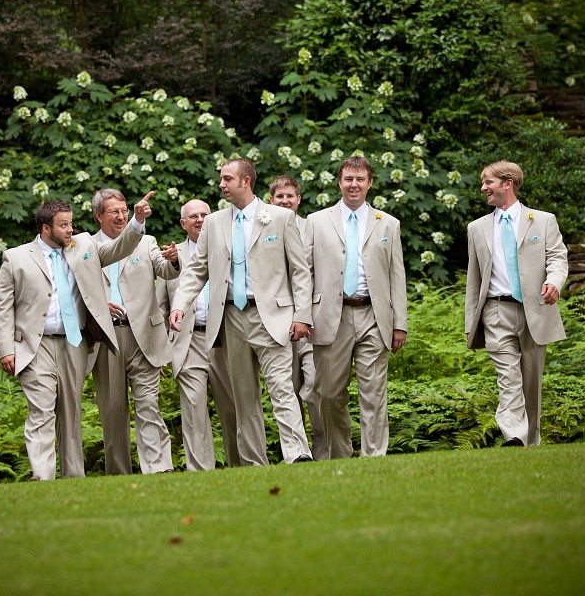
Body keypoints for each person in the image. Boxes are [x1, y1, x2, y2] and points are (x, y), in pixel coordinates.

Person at [0, 196, 151, 480]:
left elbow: (118, 248)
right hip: (35, 345)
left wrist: (137, 221)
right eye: (63, 225)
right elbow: (2, 306)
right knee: (41, 409)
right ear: (45, 228)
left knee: (70, 414)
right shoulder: (16, 257)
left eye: (71, 224)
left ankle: (73, 477)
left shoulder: (83, 246)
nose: (70, 230)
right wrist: (6, 349)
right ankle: (42, 475)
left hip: (74, 343)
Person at [168, 158, 314, 465]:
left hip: (272, 317)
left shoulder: (279, 218)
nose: (221, 184)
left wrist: (302, 315)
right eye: (221, 179)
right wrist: (180, 304)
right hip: (230, 318)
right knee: (244, 397)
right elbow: (196, 270)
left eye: (227, 179)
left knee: (281, 387)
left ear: (245, 181)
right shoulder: (214, 222)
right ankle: (253, 462)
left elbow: (299, 272)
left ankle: (297, 454)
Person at [304, 156, 407, 459]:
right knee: (329, 394)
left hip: (374, 316)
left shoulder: (387, 223)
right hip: (329, 317)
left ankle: (373, 456)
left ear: (369, 183)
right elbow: (304, 272)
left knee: (373, 391)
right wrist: (302, 315)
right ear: (339, 181)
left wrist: (399, 323)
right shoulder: (316, 221)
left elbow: (396, 276)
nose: (354, 185)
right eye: (349, 179)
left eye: (360, 179)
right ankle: (341, 454)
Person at [465, 160, 568, 447]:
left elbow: (558, 259)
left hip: (536, 309)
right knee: (508, 378)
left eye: (489, 182)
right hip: (495, 311)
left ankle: (529, 442)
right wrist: (469, 323)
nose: (484, 188)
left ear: (507, 184)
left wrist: (554, 283)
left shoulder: (543, 220)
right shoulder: (477, 228)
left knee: (531, 383)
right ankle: (514, 434)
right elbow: (474, 279)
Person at [89, 188, 178, 475]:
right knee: (113, 410)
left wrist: (174, 259)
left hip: (145, 336)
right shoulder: (85, 247)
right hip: (106, 338)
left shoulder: (146, 240)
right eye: (114, 211)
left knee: (149, 405)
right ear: (98, 215)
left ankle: (158, 468)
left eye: (124, 210)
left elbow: (166, 271)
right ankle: (118, 473)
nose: (121, 216)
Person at [157, 199, 240, 470]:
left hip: (224, 338)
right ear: (183, 223)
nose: (200, 219)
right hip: (187, 341)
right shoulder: (170, 256)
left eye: (205, 214)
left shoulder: (226, 247)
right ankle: (200, 472)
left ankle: (241, 466)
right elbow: (160, 306)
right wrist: (161, 348)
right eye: (193, 216)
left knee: (233, 407)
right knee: (193, 408)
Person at [269, 175, 327, 460]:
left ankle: (323, 450)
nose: (285, 201)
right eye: (279, 197)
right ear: (271, 200)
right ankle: (297, 452)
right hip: (276, 323)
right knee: (285, 390)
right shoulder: (265, 227)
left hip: (310, 322)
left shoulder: (312, 228)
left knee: (315, 386)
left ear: (298, 199)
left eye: (290, 196)